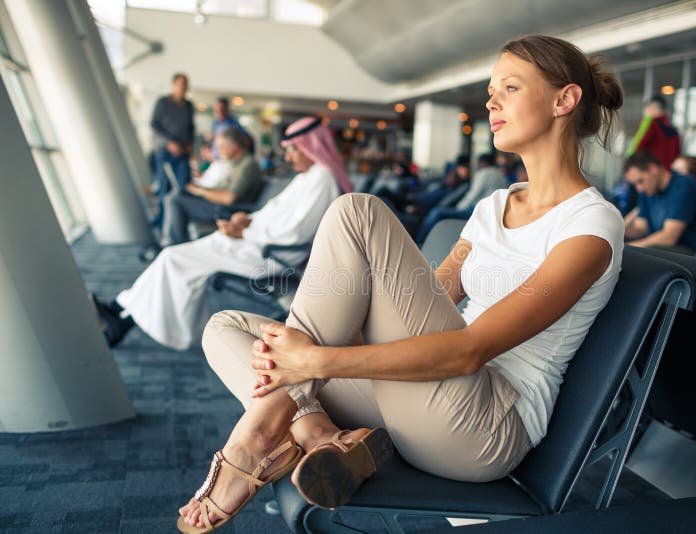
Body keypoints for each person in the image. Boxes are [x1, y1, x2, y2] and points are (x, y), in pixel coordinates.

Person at [177, 34, 625, 532]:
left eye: (511, 87)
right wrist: (322, 341)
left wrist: (317, 360)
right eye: (491, 89)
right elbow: (427, 300)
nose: (491, 101)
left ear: (565, 100)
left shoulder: (590, 227)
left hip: (483, 424)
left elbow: (469, 351)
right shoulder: (492, 207)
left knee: (357, 211)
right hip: (422, 396)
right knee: (227, 326)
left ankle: (260, 435)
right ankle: (321, 435)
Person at [95, 116, 351, 351]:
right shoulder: (308, 177)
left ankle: (121, 312)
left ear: (309, 147)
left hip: (269, 255)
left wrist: (243, 231)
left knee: (173, 258)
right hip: (251, 244)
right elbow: (273, 213)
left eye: (293, 149)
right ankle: (122, 314)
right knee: (172, 258)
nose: (289, 156)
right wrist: (245, 220)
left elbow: (294, 233)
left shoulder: (322, 179)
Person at [162, 127, 263, 246]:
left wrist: (201, 192)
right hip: (221, 205)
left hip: (230, 210)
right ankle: (173, 243)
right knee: (179, 194)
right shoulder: (234, 163)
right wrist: (198, 190)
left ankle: (171, 245)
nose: (219, 151)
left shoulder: (247, 165)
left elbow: (229, 198)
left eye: (221, 147)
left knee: (175, 200)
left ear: (233, 146)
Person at [623, 150, 696, 253]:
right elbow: (640, 228)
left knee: (644, 252)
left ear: (653, 169)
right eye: (635, 184)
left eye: (640, 181)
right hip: (670, 252)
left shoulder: (684, 186)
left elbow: (669, 237)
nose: (639, 189)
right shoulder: (648, 191)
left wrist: (627, 248)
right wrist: (614, 233)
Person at [415, 152, 508, 243]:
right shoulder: (501, 175)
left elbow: (473, 195)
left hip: (477, 211)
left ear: (482, 163)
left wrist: (458, 208)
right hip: (492, 213)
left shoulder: (484, 173)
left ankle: (420, 242)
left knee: (436, 212)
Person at [151, 72, 195, 229]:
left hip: (183, 154)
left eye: (185, 84)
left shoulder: (189, 105)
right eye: (180, 83)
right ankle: (162, 224)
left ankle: (179, 224)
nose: (183, 87)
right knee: (164, 188)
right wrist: (170, 142)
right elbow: (154, 125)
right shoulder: (163, 102)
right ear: (173, 84)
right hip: (165, 152)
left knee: (184, 187)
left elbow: (191, 128)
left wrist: (190, 144)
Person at [625, 94, 681, 169]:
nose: (645, 111)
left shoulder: (650, 123)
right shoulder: (672, 129)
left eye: (647, 107)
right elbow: (677, 154)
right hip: (667, 173)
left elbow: (638, 145)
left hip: (650, 170)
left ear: (652, 108)